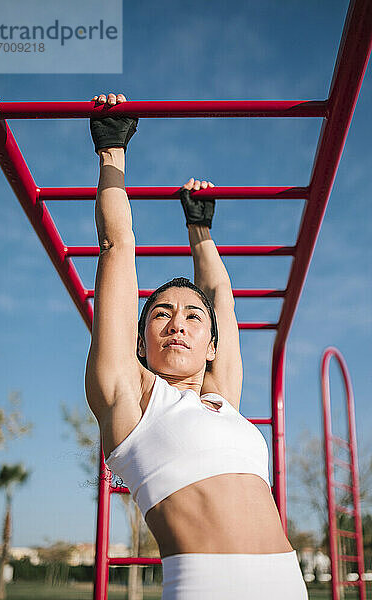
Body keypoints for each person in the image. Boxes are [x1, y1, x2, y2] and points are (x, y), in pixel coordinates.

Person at [85, 92, 309, 599]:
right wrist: (112, 153)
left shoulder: (222, 400)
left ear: (212, 345)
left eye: (192, 316)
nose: (177, 324)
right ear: (140, 342)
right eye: (161, 314)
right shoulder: (131, 400)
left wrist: (200, 230)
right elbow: (115, 246)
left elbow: (222, 299)